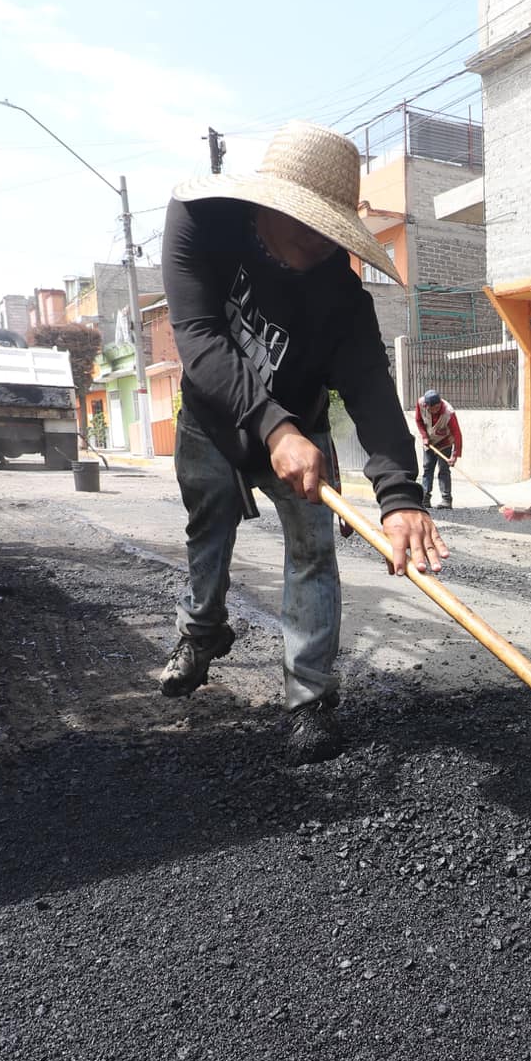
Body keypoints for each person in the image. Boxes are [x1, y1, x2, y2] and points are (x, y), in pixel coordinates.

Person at [156, 120, 448, 763]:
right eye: (304, 227)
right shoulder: (200, 224)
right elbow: (199, 338)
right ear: (267, 205)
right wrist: (272, 427)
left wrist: (400, 494)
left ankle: (310, 698)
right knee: (209, 532)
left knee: (313, 552)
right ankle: (201, 631)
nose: (318, 245)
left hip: (304, 427)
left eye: (331, 234)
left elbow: (371, 389)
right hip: (211, 418)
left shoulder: (340, 293)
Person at [414, 389, 462, 509]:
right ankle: (425, 498)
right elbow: (418, 420)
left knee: (444, 470)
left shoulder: (448, 413)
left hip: (444, 442)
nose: (429, 410)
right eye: (428, 407)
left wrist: (454, 456)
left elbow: (457, 434)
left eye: (432, 408)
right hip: (429, 442)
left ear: (438, 405)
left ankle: (446, 499)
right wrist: (424, 436)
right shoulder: (421, 404)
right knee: (427, 468)